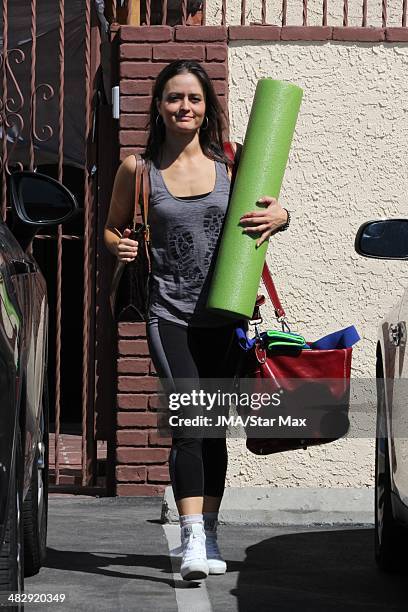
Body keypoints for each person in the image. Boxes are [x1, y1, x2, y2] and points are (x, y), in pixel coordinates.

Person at [104, 60, 290, 581]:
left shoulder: (233, 162)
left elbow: (273, 210)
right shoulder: (137, 170)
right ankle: (191, 540)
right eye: (173, 98)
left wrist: (283, 217)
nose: (184, 107)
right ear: (159, 106)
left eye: (194, 99)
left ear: (207, 109)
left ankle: (209, 529)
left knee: (213, 431)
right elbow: (111, 229)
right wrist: (120, 245)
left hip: (227, 317)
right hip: (170, 315)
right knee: (190, 423)